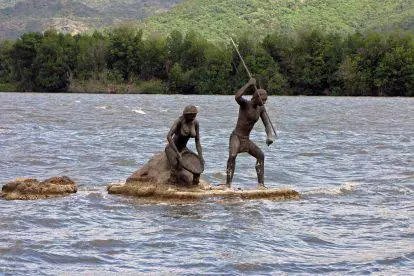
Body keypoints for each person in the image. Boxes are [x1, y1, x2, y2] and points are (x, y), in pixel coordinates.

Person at [226, 78, 274, 189]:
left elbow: (267, 124)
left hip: (246, 139)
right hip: (236, 136)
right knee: (232, 156)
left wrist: (269, 136)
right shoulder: (245, 104)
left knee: (260, 155)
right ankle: (228, 185)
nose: (264, 102)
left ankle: (261, 184)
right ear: (257, 97)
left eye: (266, 100)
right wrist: (248, 84)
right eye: (263, 100)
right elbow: (237, 96)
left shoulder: (261, 109)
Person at [165, 105, 204, 186]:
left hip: (183, 148)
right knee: (176, 166)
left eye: (195, 114)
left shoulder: (195, 123)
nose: (194, 116)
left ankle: (195, 185)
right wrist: (177, 153)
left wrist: (200, 156)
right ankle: (172, 183)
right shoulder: (179, 121)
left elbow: (197, 141)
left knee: (197, 166)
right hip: (172, 148)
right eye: (192, 114)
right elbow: (169, 136)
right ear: (186, 114)